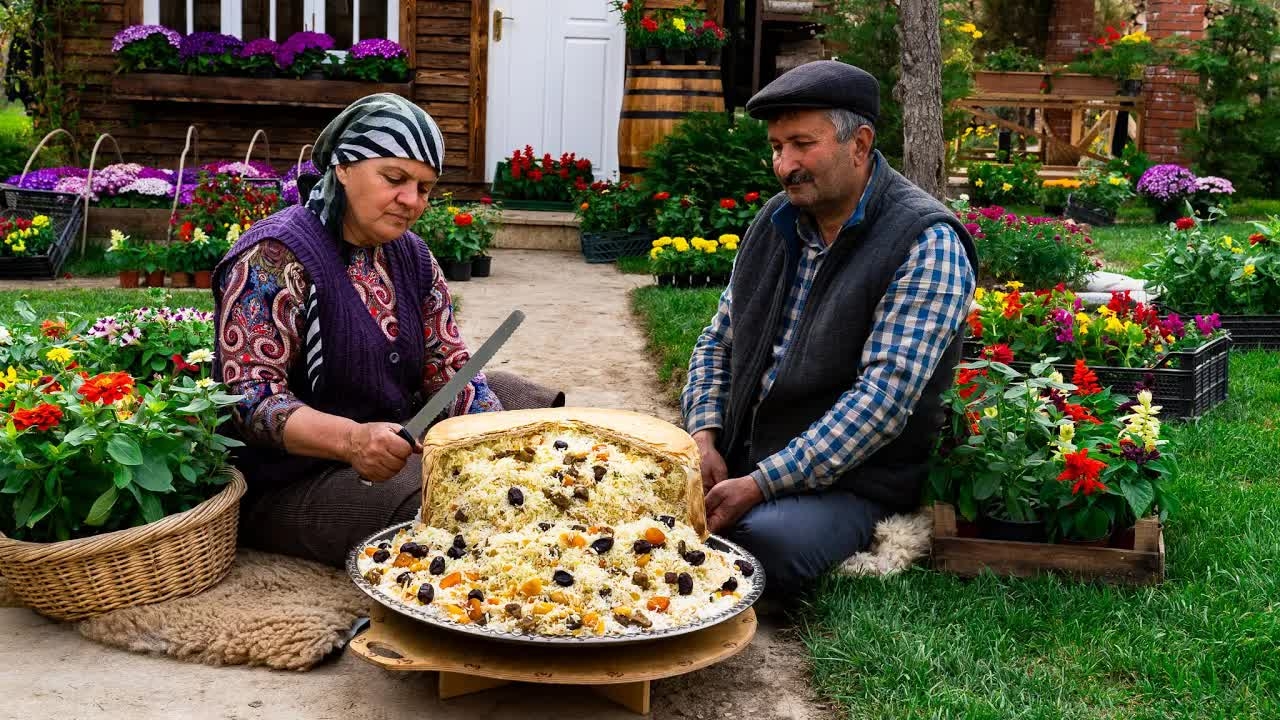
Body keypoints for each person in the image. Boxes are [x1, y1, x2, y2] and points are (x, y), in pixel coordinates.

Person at [213, 94, 561, 567]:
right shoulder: (275, 256)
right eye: (394, 179)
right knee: (436, 498)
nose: (411, 201)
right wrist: (353, 441)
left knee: (530, 408)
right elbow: (249, 402)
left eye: (424, 188)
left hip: (396, 432)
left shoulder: (412, 255)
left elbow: (448, 364)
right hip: (295, 478)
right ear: (342, 167)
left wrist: (502, 448)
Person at [681, 62, 978, 588]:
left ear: (859, 144)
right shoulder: (775, 221)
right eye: (777, 147)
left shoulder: (926, 241)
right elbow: (717, 341)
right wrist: (703, 437)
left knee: (758, 544)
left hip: (854, 480)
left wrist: (760, 484)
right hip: (747, 455)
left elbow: (881, 403)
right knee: (630, 488)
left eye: (802, 144)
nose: (784, 165)